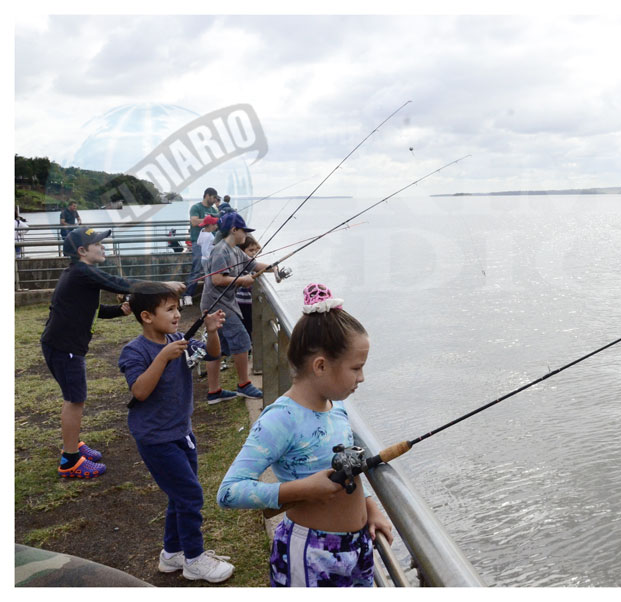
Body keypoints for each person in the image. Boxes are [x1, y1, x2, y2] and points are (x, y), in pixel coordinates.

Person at [217, 283, 393, 587]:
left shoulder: (336, 407)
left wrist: (370, 508)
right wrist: (301, 489)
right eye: (356, 368)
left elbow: (347, 470)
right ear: (321, 365)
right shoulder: (281, 419)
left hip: (357, 546)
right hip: (311, 553)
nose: (361, 378)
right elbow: (229, 492)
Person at [41, 227, 184, 478]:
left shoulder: (81, 274)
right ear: (82, 251)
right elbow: (120, 283)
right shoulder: (83, 272)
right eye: (97, 243)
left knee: (75, 398)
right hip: (65, 348)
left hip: (62, 345)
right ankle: (70, 459)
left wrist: (121, 310)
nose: (103, 246)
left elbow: (94, 310)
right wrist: (162, 285)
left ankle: (73, 444)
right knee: (75, 400)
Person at [118, 282, 236, 583]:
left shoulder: (179, 340)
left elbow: (211, 356)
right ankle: (194, 559)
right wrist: (163, 357)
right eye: (169, 309)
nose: (177, 314)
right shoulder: (135, 351)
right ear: (146, 316)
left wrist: (210, 331)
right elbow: (140, 391)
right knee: (190, 495)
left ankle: (172, 554)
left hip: (182, 432)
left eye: (177, 308)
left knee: (179, 495)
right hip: (156, 439)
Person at [200, 212, 264, 404]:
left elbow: (254, 265)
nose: (246, 234)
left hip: (223, 303)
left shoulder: (236, 250)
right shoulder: (221, 251)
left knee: (217, 348)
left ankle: (214, 392)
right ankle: (244, 385)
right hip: (216, 303)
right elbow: (217, 279)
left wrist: (275, 268)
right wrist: (241, 280)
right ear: (234, 230)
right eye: (244, 230)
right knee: (243, 340)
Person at [182, 188, 221, 308]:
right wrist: (208, 220)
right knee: (197, 268)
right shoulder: (196, 208)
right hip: (199, 244)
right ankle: (187, 294)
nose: (215, 200)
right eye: (214, 197)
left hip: (212, 243)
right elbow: (194, 222)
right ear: (207, 195)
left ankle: (212, 296)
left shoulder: (213, 209)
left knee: (213, 269)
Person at [235, 235, 261, 339]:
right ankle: (247, 349)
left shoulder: (249, 262)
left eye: (255, 250)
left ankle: (247, 347)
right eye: (251, 250)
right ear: (241, 251)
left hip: (247, 301)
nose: (254, 253)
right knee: (247, 326)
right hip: (242, 302)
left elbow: (259, 248)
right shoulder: (243, 264)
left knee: (248, 326)